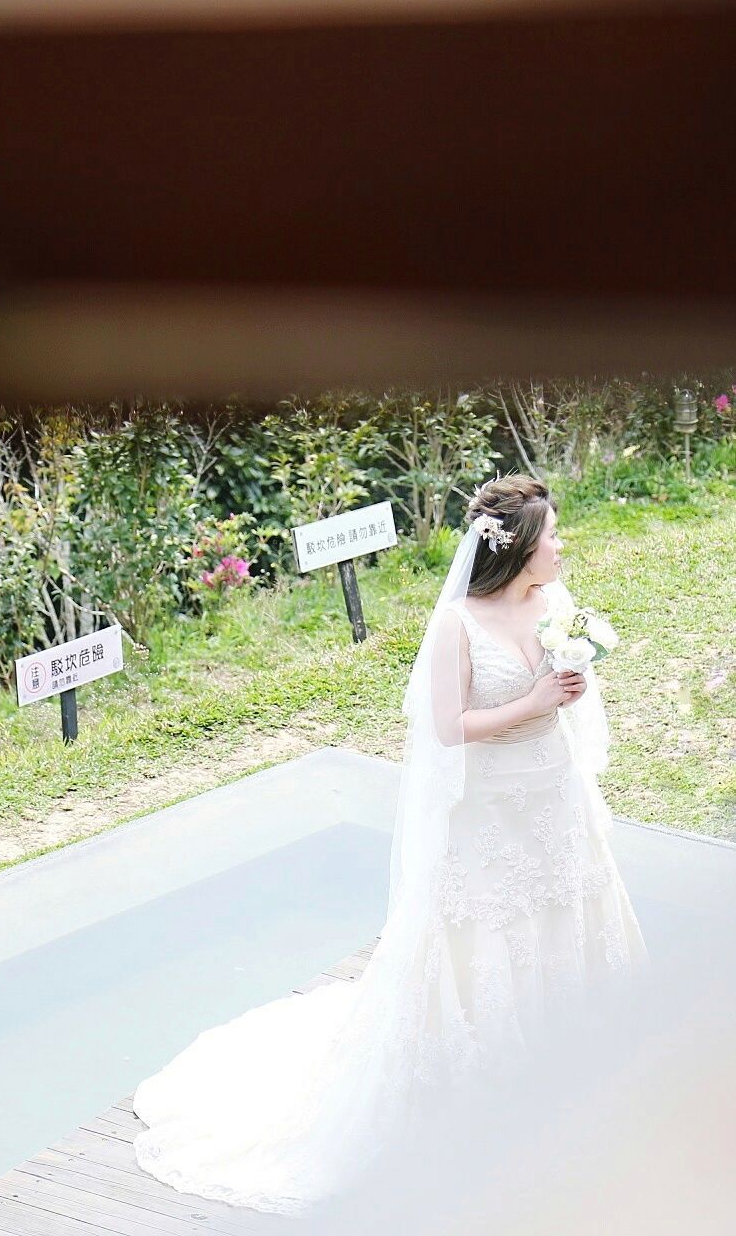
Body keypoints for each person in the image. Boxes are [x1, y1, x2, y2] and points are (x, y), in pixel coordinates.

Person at [131, 474, 650, 1215]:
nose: (562, 547)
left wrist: (572, 679)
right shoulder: (457, 625)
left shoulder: (555, 606)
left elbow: (568, 690)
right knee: (489, 934)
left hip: (553, 796)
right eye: (552, 537)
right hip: (489, 811)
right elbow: (448, 729)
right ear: (517, 550)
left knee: (568, 910)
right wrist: (533, 702)